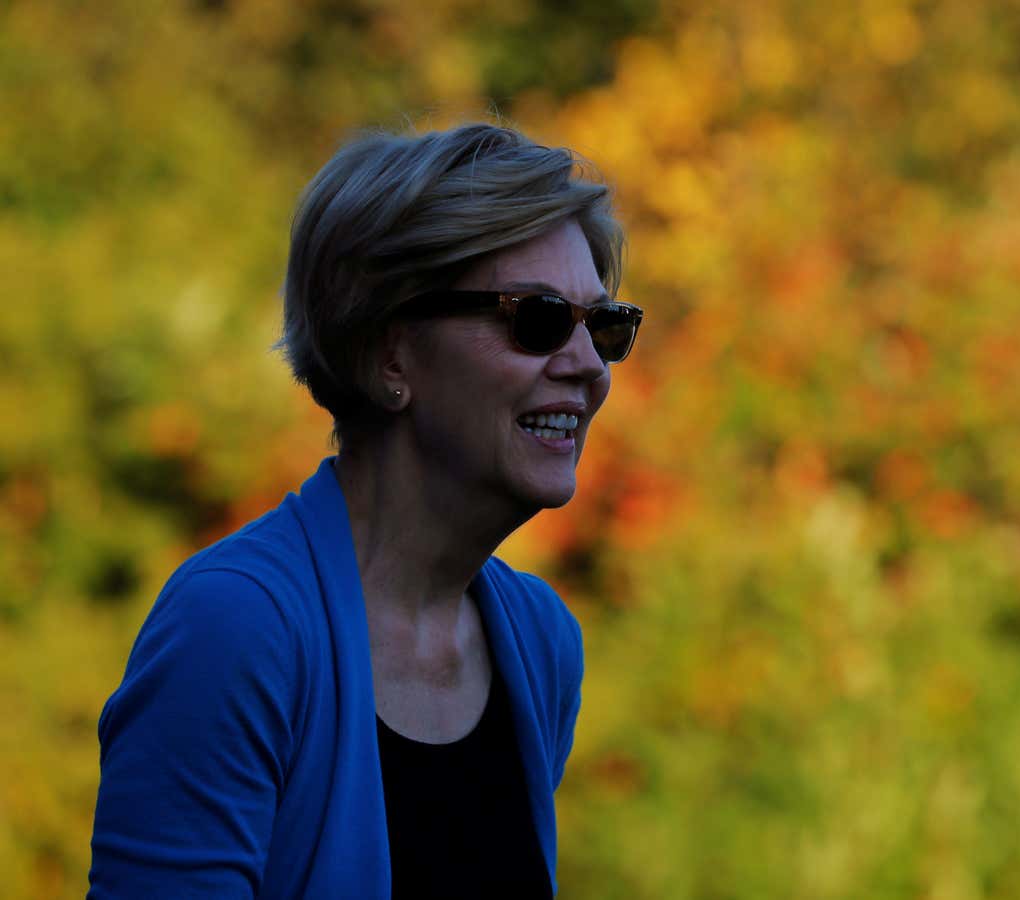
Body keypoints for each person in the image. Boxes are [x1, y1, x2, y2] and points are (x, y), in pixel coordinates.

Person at [88, 122, 641, 898]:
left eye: (607, 327)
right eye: (538, 319)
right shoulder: (235, 632)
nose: (587, 367)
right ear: (390, 352)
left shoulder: (539, 643)